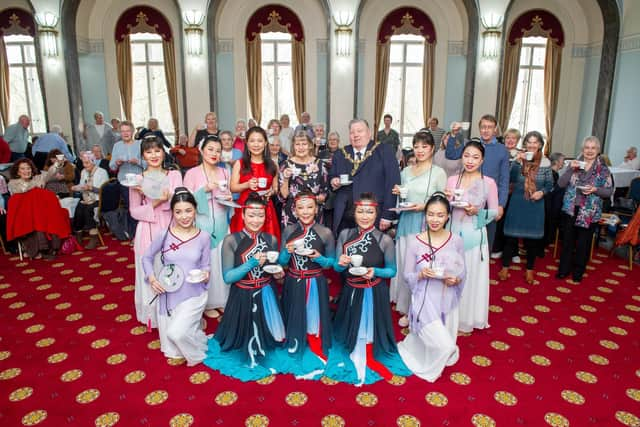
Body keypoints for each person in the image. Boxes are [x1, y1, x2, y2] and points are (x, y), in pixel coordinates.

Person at [327, 193, 409, 385]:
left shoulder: (385, 240)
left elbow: (392, 271)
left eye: (369, 212)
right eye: (360, 211)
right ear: (354, 213)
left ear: (376, 213)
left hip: (374, 292)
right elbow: (338, 268)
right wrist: (340, 262)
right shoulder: (345, 235)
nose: (365, 216)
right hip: (351, 291)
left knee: (373, 337)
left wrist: (376, 272)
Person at [203, 193, 286, 381]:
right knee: (240, 341)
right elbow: (228, 277)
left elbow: (272, 270)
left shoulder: (271, 239)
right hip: (242, 295)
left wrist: (278, 274)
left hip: (267, 294)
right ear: (243, 216)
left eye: (260, 215)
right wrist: (251, 263)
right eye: (251, 215)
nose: (256, 220)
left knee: (272, 342)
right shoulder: (232, 240)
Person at [397, 193, 466, 382]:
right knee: (444, 346)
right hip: (424, 298)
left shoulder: (456, 241)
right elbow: (407, 276)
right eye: (430, 214)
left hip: (447, 297)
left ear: (448, 217)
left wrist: (456, 279)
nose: (434, 220)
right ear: (425, 215)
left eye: (440, 215)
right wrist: (420, 274)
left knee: (446, 345)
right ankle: (423, 358)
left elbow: (462, 270)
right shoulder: (416, 242)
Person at [143, 188, 211, 366]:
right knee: (172, 350)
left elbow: (206, 265)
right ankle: (193, 338)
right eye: (178, 212)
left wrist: (206, 274)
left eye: (188, 210)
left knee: (176, 333)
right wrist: (151, 278)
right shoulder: (164, 235)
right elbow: (146, 257)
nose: (184, 216)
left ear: (195, 209)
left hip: (194, 293)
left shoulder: (203, 237)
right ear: (172, 213)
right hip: (169, 292)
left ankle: (197, 356)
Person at [390, 132, 447, 328]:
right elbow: (402, 200)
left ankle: (419, 309)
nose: (420, 150)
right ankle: (406, 306)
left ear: (432, 149)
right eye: (417, 146)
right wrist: (398, 194)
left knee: (420, 268)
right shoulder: (405, 171)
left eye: (424, 146)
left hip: (425, 226)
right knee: (406, 267)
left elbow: (442, 202)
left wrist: (423, 206)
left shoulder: (438, 172)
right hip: (406, 222)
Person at [445, 141, 498, 333]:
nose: (470, 160)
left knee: (470, 277)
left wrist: (476, 211)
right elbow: (444, 209)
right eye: (467, 155)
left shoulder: (488, 183)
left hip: (474, 236)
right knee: (450, 276)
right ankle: (448, 316)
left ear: (482, 160)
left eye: (475, 157)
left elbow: (493, 213)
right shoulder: (452, 180)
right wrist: (446, 199)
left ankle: (466, 319)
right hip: (451, 234)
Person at [279, 192, 335, 371]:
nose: (305, 212)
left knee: (314, 319)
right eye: (300, 208)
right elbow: (281, 262)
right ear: (294, 211)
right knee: (294, 316)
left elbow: (332, 264)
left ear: (316, 209)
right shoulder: (288, 230)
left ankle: (314, 338)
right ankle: (296, 338)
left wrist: (319, 258)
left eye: (309, 207)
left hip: (315, 282)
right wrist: (287, 252)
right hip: (293, 280)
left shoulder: (325, 232)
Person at [130, 135, 183, 328]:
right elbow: (134, 211)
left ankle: (175, 312)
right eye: (149, 151)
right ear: (143, 155)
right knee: (150, 268)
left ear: (163, 152)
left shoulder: (174, 175)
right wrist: (157, 201)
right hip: (148, 227)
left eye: (157, 150)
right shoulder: (137, 180)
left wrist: (167, 199)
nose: (153, 155)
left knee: (174, 268)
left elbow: (181, 203)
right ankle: (153, 315)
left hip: (171, 225)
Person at [183, 135, 232, 320]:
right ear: (202, 150)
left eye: (218, 151)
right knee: (205, 262)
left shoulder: (224, 172)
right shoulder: (191, 173)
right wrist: (204, 190)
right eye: (210, 149)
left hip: (221, 222)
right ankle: (206, 303)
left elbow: (227, 196)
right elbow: (185, 201)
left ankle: (222, 299)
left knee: (221, 261)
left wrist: (227, 199)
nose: (214, 153)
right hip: (202, 224)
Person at [497, 131, 553, 284]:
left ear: (540, 145)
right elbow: (510, 179)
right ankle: (505, 267)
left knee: (532, 241)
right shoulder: (519, 160)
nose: (532, 145)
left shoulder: (546, 163)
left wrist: (541, 192)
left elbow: (550, 185)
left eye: (535, 142)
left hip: (535, 204)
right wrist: (516, 162)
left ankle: (529, 270)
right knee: (510, 237)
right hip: (517, 201)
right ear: (525, 144)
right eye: (529, 142)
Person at [445, 115, 509, 249]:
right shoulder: (471, 144)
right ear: (479, 129)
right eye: (483, 127)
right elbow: (450, 154)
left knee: (485, 241)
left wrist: (501, 204)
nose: (486, 130)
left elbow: (504, 179)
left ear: (495, 130)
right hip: (466, 196)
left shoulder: (502, 150)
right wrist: (453, 135)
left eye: (489, 127)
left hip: (489, 200)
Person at [329, 119, 401, 235]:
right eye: (352, 132)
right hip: (345, 216)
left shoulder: (384, 151)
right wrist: (333, 181)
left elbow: (392, 183)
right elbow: (331, 176)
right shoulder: (341, 154)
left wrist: (388, 215)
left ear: (369, 133)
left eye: (359, 131)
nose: (355, 135)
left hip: (373, 214)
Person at [557, 136, 613, 283]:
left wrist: (595, 189)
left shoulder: (603, 169)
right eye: (587, 147)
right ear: (582, 149)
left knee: (584, 243)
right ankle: (563, 270)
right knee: (568, 241)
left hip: (589, 211)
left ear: (598, 150)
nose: (589, 151)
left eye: (593, 148)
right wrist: (570, 169)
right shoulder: (574, 164)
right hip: (571, 209)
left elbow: (608, 191)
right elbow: (561, 184)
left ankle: (578, 272)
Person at [7, 158, 69, 259]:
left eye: (28, 168)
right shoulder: (13, 183)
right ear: (18, 172)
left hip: (40, 213)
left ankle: (49, 248)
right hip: (24, 216)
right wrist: (37, 184)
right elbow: (24, 190)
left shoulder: (37, 179)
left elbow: (49, 174)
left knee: (51, 216)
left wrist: (58, 164)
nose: (26, 171)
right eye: (23, 169)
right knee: (33, 221)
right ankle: (35, 250)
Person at [229, 126, 280, 243]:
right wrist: (246, 185)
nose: (256, 145)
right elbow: (233, 188)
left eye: (260, 141)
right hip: (245, 207)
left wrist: (271, 192)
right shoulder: (240, 163)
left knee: (266, 244)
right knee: (244, 244)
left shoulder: (273, 165)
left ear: (265, 143)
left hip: (265, 208)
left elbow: (275, 188)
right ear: (246, 143)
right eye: (252, 141)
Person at [279, 131, 329, 227]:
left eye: (304, 144)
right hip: (292, 215)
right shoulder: (285, 165)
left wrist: (321, 197)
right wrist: (285, 178)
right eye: (297, 144)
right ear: (293, 146)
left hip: (313, 213)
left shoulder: (320, 164)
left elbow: (325, 190)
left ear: (310, 145)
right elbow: (283, 196)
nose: (301, 147)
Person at [110, 121, 144, 239]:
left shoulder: (140, 144)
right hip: (124, 181)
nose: (125, 133)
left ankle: (143, 233)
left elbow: (148, 163)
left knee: (141, 207)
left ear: (132, 131)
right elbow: (111, 166)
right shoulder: (117, 146)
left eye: (127, 131)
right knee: (131, 207)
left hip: (139, 181)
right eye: (123, 131)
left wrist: (138, 162)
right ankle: (134, 235)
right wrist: (117, 163)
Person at [71, 151, 109, 249]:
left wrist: (91, 188)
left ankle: (93, 237)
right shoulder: (83, 171)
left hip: (99, 199)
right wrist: (76, 187)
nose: (85, 165)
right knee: (78, 209)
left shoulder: (101, 172)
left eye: (87, 163)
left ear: (93, 161)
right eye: (83, 163)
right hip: (87, 199)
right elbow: (82, 185)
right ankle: (78, 234)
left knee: (88, 210)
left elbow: (104, 190)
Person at [544, 152, 566, 246]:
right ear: (556, 162)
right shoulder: (551, 174)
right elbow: (551, 191)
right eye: (563, 161)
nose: (564, 163)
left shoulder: (555, 173)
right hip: (549, 203)